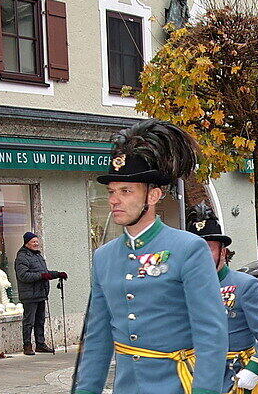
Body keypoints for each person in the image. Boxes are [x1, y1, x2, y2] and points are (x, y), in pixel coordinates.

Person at [72, 120, 228, 394]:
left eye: (126, 191)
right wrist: (85, 390)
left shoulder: (188, 249)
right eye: (111, 191)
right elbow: (97, 337)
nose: (114, 200)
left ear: (153, 195)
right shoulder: (104, 257)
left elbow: (210, 333)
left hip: (178, 386)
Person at [188, 204, 258, 393]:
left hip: (233, 376)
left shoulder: (245, 285)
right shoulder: (182, 287)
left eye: (208, 249)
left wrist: (254, 370)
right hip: (192, 373)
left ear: (223, 252)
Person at [14, 232, 66, 355]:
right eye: (33, 241)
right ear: (27, 243)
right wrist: (42, 276)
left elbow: (44, 272)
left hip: (41, 293)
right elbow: (23, 276)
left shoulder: (38, 256)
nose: (36, 243)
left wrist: (57, 274)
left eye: (37, 241)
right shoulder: (22, 257)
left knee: (40, 320)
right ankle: (27, 346)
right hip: (29, 295)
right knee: (29, 321)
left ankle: (40, 344)